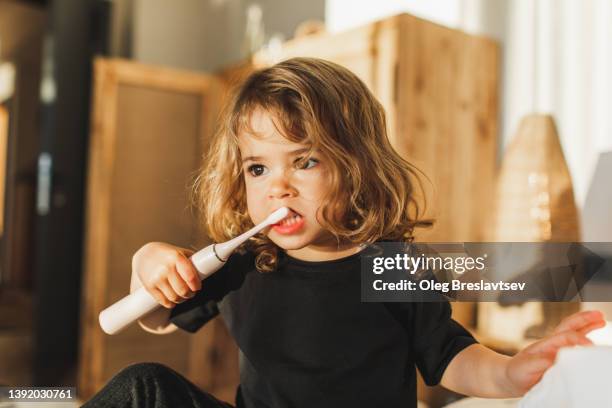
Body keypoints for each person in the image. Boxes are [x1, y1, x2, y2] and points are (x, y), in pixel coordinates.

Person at [83, 58, 605, 408]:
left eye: (304, 162)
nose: (277, 187)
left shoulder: (391, 265)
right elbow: (157, 315)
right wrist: (147, 261)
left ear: (355, 169)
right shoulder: (244, 261)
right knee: (141, 387)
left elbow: (450, 355)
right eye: (257, 169)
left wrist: (509, 375)